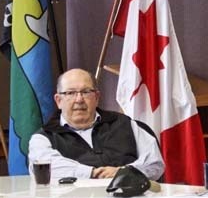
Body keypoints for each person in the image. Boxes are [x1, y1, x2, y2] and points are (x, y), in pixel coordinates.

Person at [28, 68, 164, 180]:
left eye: (86, 92)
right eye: (70, 93)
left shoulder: (127, 124)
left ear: (97, 97)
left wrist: (123, 173)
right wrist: (93, 173)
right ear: (58, 101)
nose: (79, 99)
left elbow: (154, 163)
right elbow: (48, 168)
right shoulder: (43, 137)